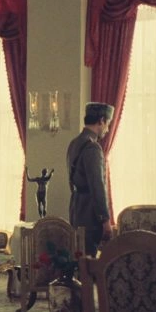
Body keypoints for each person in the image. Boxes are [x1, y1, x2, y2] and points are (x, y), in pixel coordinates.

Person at [67, 102, 114, 257]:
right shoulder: (93, 147)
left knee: (78, 256)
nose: (107, 129)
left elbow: (71, 180)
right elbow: (97, 186)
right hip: (89, 212)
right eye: (107, 124)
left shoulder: (74, 143)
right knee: (88, 260)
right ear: (101, 120)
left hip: (76, 208)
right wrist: (105, 220)